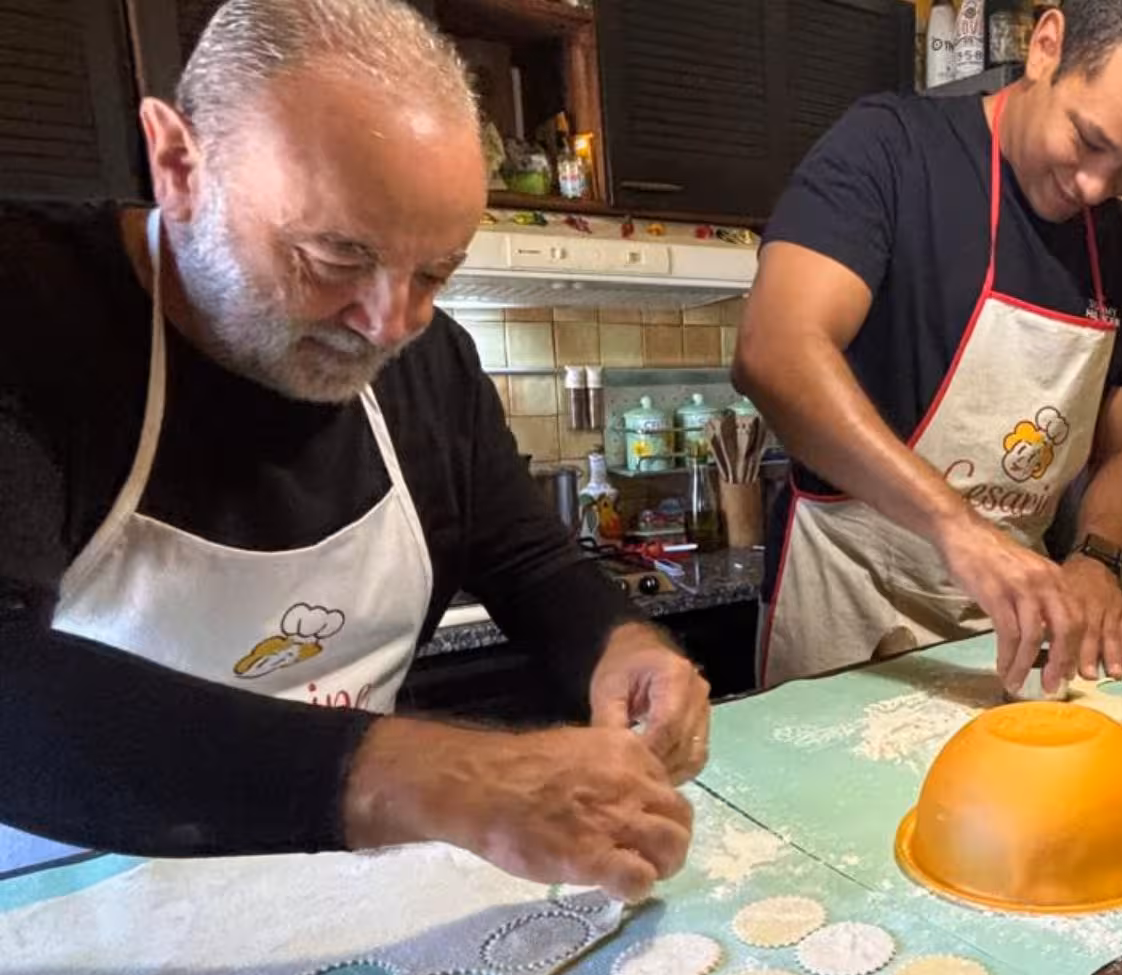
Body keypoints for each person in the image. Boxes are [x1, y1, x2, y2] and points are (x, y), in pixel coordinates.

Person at [0, 0, 708, 900]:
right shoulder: (28, 315)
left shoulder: (433, 365)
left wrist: (624, 648)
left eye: (435, 273)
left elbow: (530, 562)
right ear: (179, 165)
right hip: (62, 913)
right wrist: (440, 778)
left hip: (344, 900)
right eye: (335, 259)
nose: (391, 324)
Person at [735, 0, 1122, 695]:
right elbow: (774, 350)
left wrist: (1096, 558)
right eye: (1088, 140)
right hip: (845, 600)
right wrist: (958, 528)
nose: (1096, 188)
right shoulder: (891, 150)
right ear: (1046, 46)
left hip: (1012, 619)